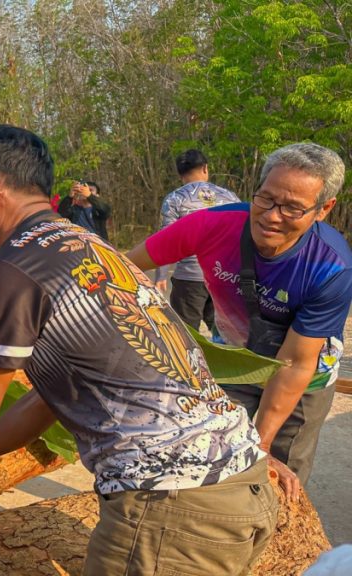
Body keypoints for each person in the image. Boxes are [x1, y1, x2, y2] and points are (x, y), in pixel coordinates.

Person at [0, 123, 276, 576]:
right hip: (240, 485)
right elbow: (48, 399)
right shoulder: (88, 246)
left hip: (169, 507)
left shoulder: (12, 269)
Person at [126, 142, 351, 490]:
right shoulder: (211, 225)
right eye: (266, 199)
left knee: (280, 470)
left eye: (292, 208)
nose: (272, 216)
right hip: (235, 356)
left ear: (323, 209)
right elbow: (123, 266)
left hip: (305, 372)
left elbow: (295, 363)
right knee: (212, 448)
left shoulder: (330, 267)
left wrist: (261, 445)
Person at [154, 149, 240, 332]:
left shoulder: (175, 199)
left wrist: (161, 276)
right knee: (226, 334)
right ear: (205, 168)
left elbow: (165, 241)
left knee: (186, 335)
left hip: (189, 278)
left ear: (180, 174)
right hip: (225, 276)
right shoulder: (228, 197)